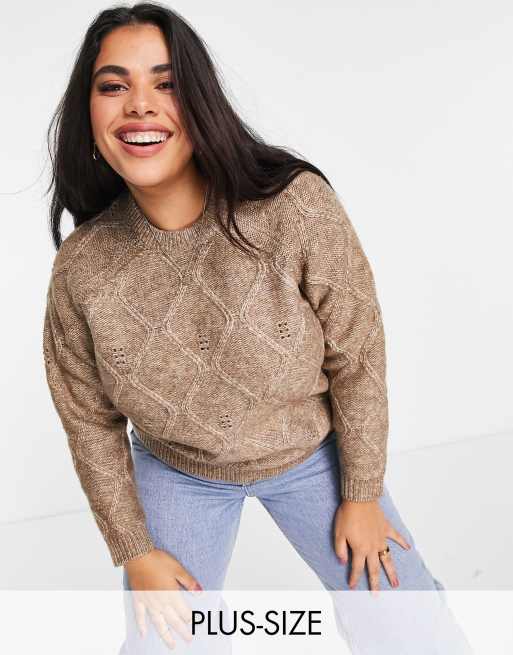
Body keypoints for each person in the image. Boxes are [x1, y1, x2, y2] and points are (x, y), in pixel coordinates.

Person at [42, 3, 474, 654]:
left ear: (200, 100)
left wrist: (361, 496)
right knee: (163, 642)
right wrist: (134, 550)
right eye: (113, 86)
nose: (139, 105)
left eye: (166, 83)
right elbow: (88, 421)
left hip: (311, 450)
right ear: (89, 114)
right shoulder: (83, 268)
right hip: (178, 469)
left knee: (408, 623)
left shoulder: (293, 206)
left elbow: (356, 353)